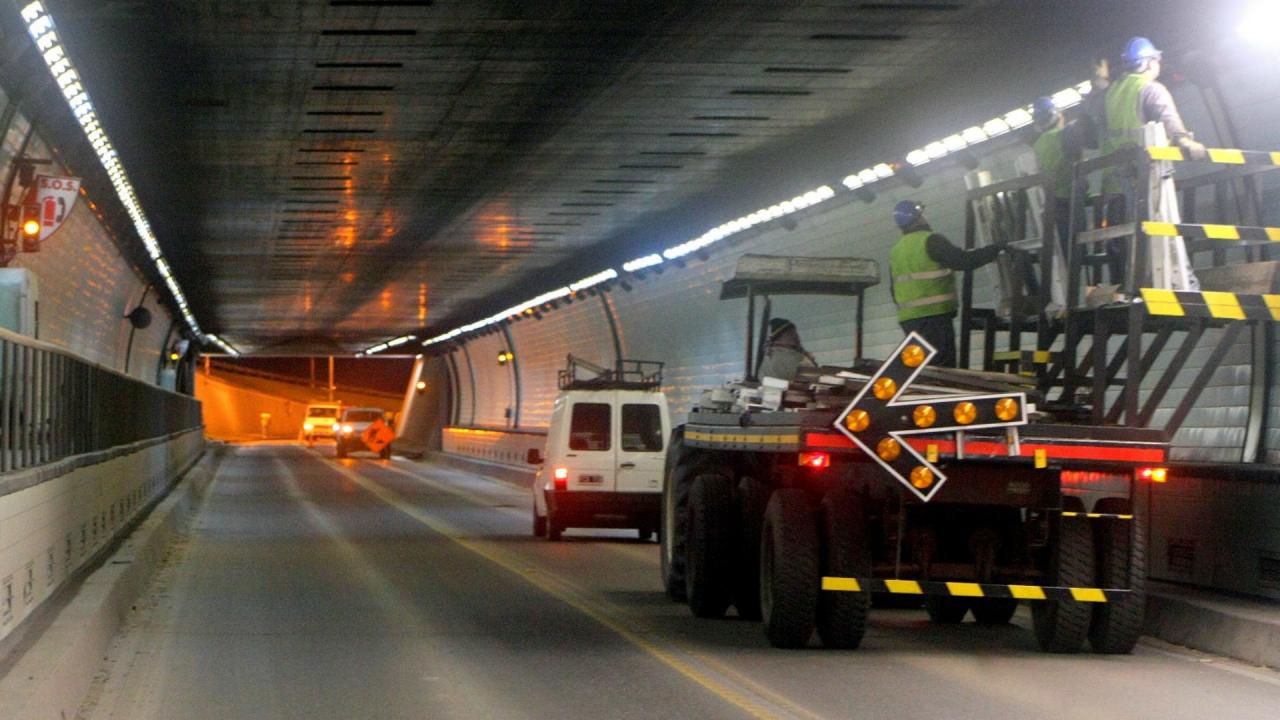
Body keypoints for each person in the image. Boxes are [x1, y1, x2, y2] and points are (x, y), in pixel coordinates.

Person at [889, 200, 1007, 368]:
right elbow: (963, 261)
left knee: (922, 367)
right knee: (941, 367)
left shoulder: (897, 250)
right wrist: (993, 250)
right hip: (933, 317)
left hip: (909, 320)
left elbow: (894, 290)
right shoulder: (931, 241)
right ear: (918, 218)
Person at [1031, 96, 1086, 256]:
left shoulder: (1037, 145)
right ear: (1056, 115)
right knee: (1079, 245)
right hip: (1072, 196)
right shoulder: (1065, 134)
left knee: (1066, 250)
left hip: (1053, 201)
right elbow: (1075, 163)